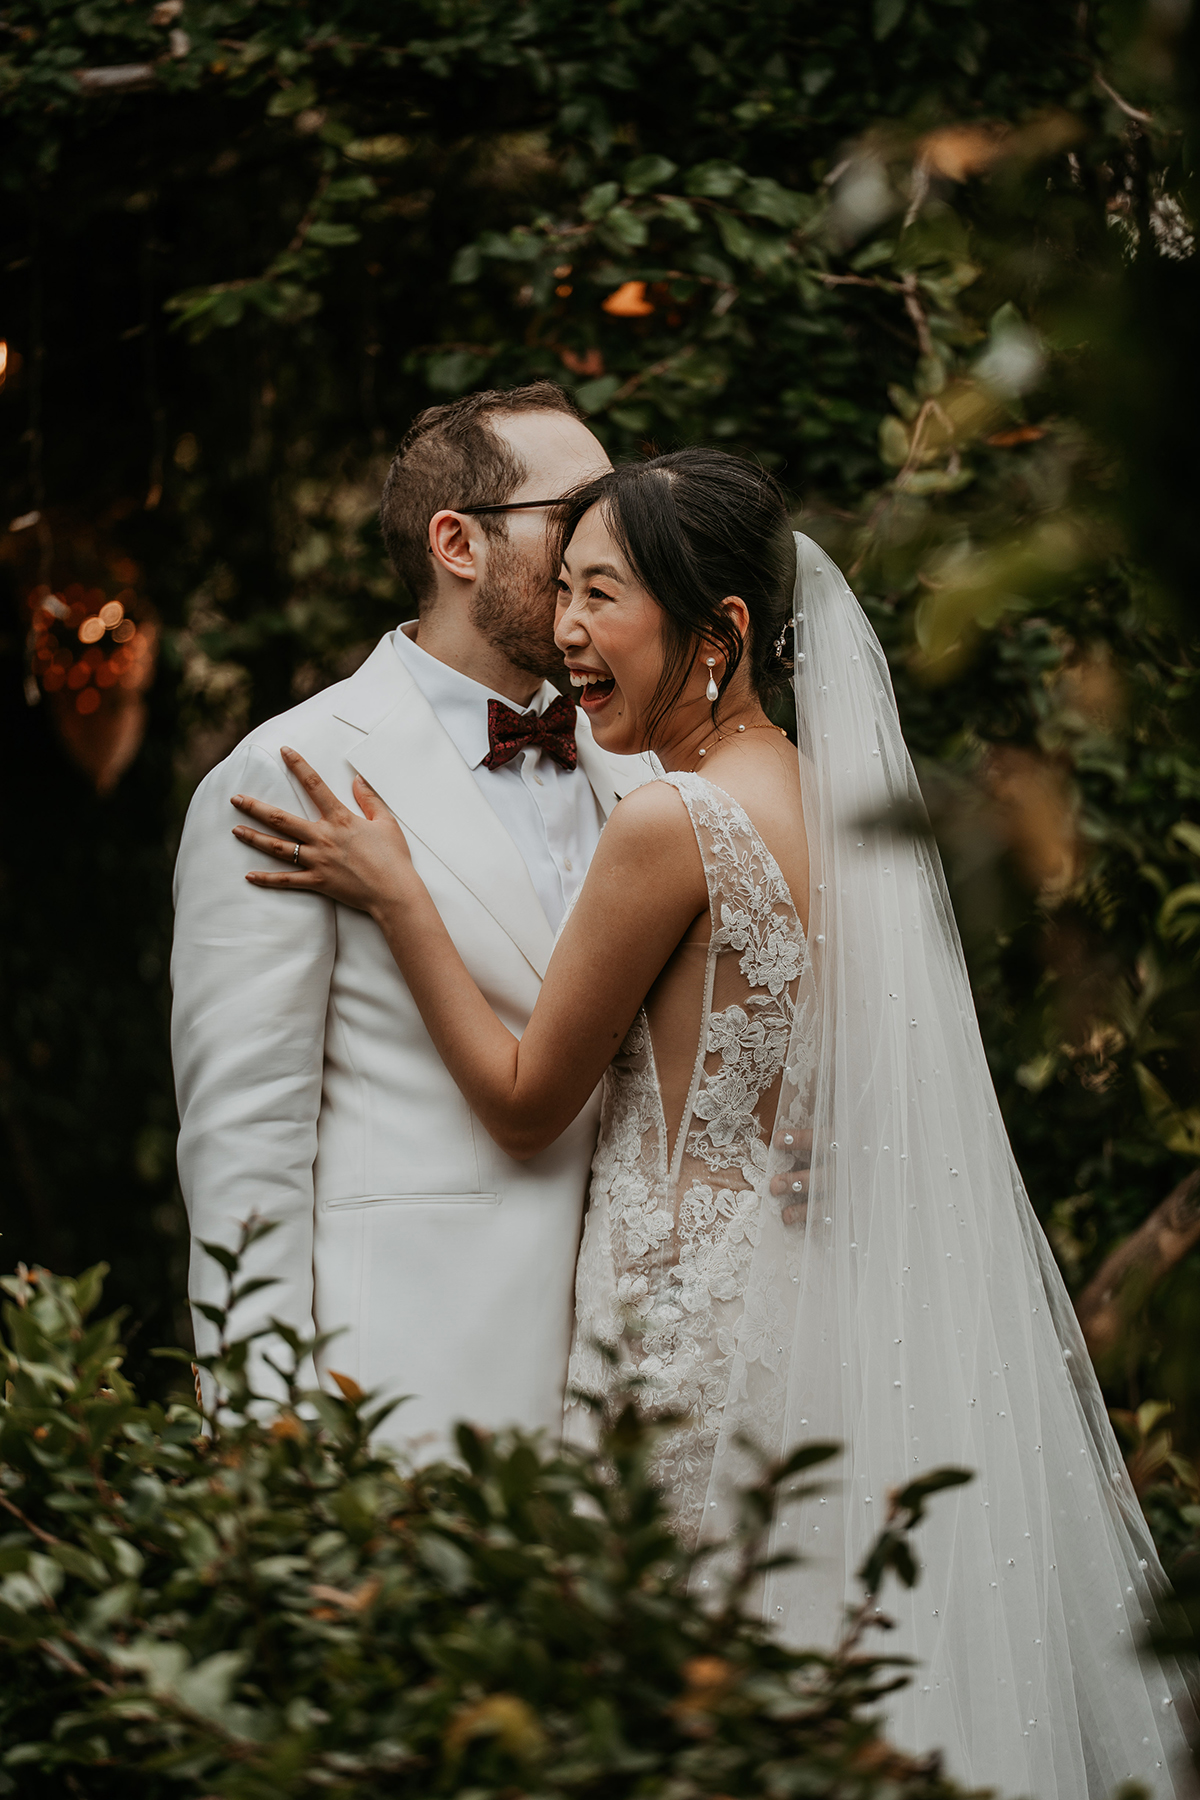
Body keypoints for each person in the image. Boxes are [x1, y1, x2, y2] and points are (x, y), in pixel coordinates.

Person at [230, 446, 1193, 1797]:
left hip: (685, 1338)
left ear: (721, 633)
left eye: (602, 595)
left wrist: (399, 897)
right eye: (560, 589)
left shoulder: (668, 824)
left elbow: (521, 1104)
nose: (566, 629)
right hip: (827, 1315)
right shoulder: (834, 802)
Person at [170, 380, 654, 1461]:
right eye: (575, 517)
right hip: (399, 1402)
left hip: (628, 1404)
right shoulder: (291, 774)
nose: (609, 545)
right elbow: (246, 1145)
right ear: (458, 543)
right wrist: (263, 1444)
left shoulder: (641, 771)